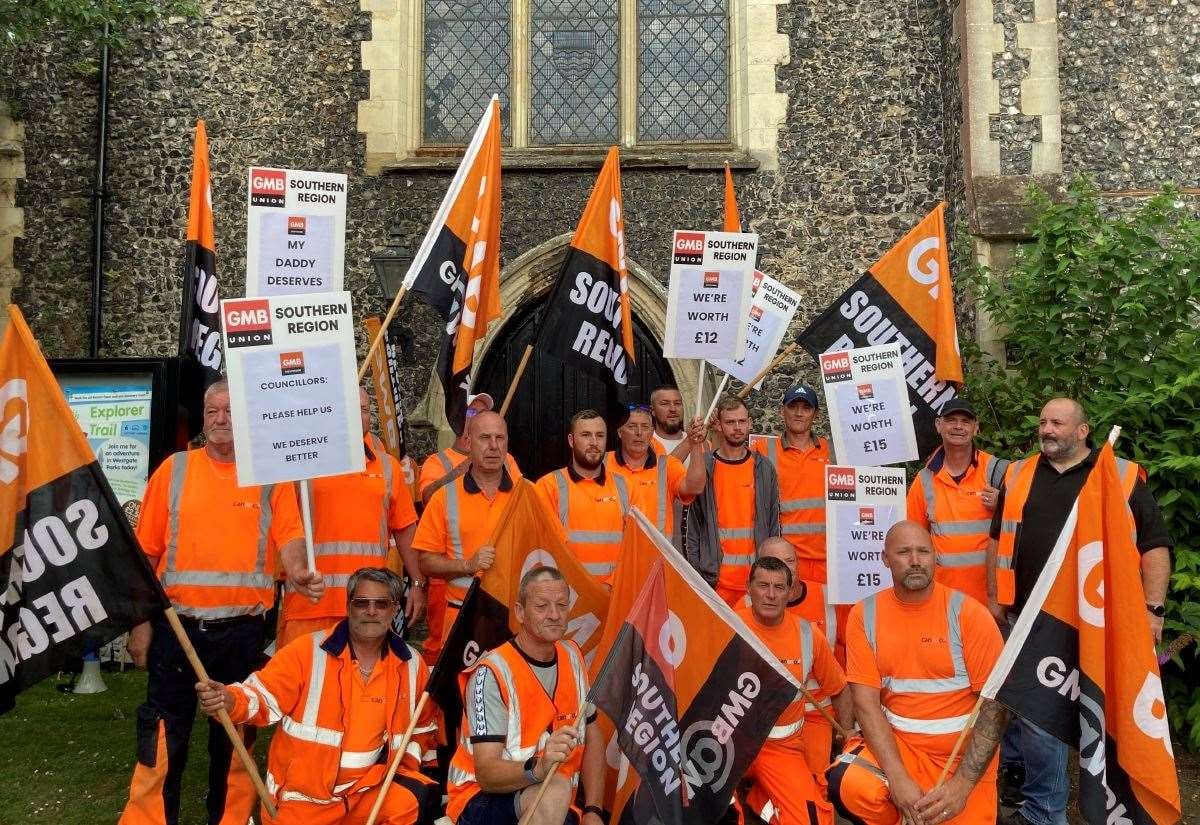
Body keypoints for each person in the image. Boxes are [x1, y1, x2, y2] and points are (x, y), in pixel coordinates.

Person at [120, 379, 324, 825]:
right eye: (212, 411)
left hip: (241, 634)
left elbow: (289, 537)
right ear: (203, 418)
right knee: (162, 736)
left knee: (235, 739)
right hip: (176, 631)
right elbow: (144, 557)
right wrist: (141, 626)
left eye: (230, 410)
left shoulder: (270, 479)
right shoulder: (173, 471)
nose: (220, 419)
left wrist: (298, 568)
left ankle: (229, 820)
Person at [984, 397, 1172, 825]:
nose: (1047, 430)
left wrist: (1153, 610)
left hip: (1099, 624)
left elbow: (1154, 547)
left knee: (1106, 715)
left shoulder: (1120, 476)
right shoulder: (1018, 473)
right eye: (1043, 421)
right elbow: (997, 540)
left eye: (1057, 423)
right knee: (1039, 718)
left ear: (1083, 431)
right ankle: (1044, 813)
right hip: (1032, 620)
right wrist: (994, 598)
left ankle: (1122, 805)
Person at [194, 568, 440, 825]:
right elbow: (260, 696)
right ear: (348, 607)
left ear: (393, 610)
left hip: (372, 791)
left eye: (381, 604)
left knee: (415, 800)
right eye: (362, 603)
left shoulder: (412, 663)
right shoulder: (306, 652)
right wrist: (229, 699)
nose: (371, 611)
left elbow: (423, 727)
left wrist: (405, 768)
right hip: (306, 800)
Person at [829, 521, 1007, 825]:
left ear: (934, 556)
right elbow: (866, 705)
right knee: (848, 782)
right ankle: (903, 816)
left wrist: (962, 786)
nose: (915, 560)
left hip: (959, 761)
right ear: (885, 559)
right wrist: (897, 779)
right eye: (903, 552)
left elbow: (997, 708)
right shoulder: (864, 615)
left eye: (923, 551)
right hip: (901, 750)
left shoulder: (969, 614)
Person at [447, 566, 605, 825]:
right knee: (554, 792)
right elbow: (486, 774)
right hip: (481, 799)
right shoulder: (493, 673)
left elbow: (594, 734)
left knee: (556, 795)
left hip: (552, 801)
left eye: (562, 605)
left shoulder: (573, 656)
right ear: (520, 612)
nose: (554, 615)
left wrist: (593, 810)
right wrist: (539, 768)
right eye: (542, 606)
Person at [277, 388, 425, 648]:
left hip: (368, 608)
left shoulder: (388, 467)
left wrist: (417, 583)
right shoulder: (300, 465)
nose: (359, 416)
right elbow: (282, 527)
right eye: (350, 409)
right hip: (310, 604)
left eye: (365, 410)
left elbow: (405, 530)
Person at [736, 557, 851, 825]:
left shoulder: (807, 635)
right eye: (763, 585)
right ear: (748, 588)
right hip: (728, 744)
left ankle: (760, 798)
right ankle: (751, 801)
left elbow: (839, 688)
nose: (771, 594)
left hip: (781, 749)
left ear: (790, 592)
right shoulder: (725, 624)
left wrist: (846, 738)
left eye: (779, 587)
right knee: (713, 811)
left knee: (814, 820)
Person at [416, 393, 521, 665]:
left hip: (512, 617)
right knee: (459, 701)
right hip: (460, 616)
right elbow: (425, 561)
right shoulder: (444, 497)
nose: (494, 446)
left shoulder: (525, 495)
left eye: (500, 439)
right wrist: (466, 565)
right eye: (485, 438)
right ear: (469, 441)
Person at [905, 398, 1008, 607]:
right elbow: (913, 541)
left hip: (992, 602)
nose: (958, 426)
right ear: (938, 425)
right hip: (941, 601)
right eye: (951, 420)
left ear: (976, 427)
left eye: (965, 421)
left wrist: (1004, 506)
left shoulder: (998, 471)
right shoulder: (924, 480)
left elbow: (1024, 525)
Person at [685, 396, 781, 606]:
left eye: (742, 421)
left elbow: (774, 526)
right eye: (730, 422)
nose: (737, 428)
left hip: (756, 584)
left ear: (750, 423)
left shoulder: (763, 468)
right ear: (718, 425)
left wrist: (771, 575)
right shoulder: (705, 467)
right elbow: (692, 529)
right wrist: (697, 576)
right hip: (715, 584)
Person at [535, 410, 632, 584]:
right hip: (567, 599)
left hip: (615, 596)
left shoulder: (625, 487)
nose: (594, 442)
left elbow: (635, 546)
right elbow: (543, 549)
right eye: (586, 435)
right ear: (571, 440)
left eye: (600, 435)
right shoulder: (548, 486)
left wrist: (611, 584)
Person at [754, 384, 834, 583]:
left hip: (829, 560)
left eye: (806, 408)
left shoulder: (832, 452)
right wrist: (717, 433)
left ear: (815, 414)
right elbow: (729, 462)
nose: (799, 413)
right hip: (785, 561)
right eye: (793, 407)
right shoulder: (763, 449)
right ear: (782, 410)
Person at [605, 404, 707, 544]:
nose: (639, 432)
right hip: (614, 557)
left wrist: (695, 445)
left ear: (652, 432)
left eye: (645, 427)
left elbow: (695, 487)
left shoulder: (666, 465)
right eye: (632, 426)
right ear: (619, 432)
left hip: (655, 559)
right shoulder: (602, 465)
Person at [648, 384, 687, 457]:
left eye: (677, 403)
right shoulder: (645, 445)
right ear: (652, 410)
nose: (673, 409)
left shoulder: (701, 442)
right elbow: (663, 468)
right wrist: (690, 441)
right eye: (665, 404)